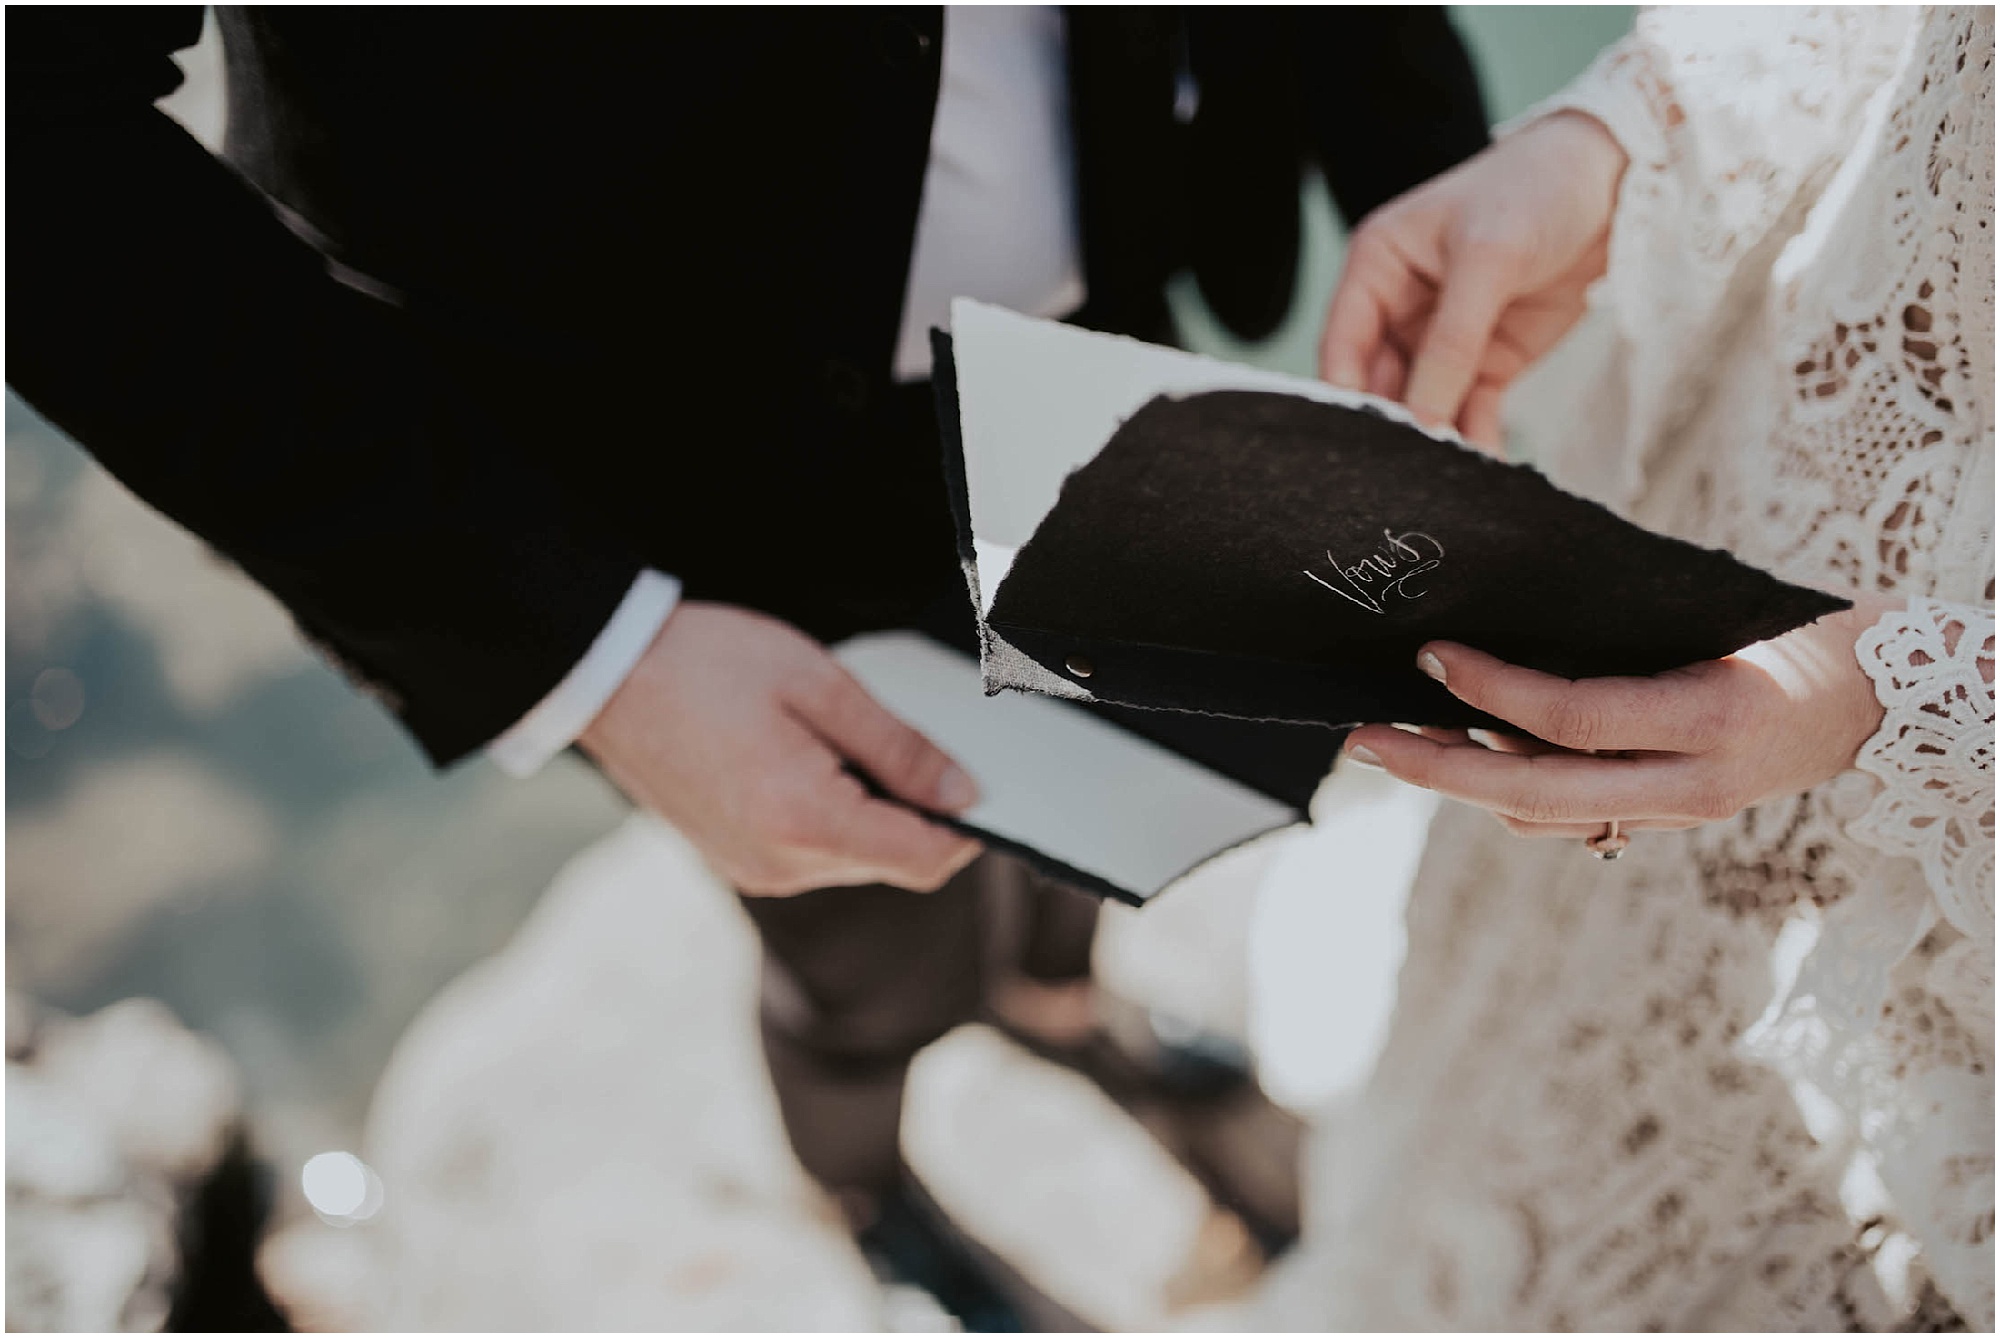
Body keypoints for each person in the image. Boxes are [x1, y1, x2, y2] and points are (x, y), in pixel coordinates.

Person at [6, 6, 1490, 1307]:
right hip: (663, 454)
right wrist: (601, 651)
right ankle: (869, 1193)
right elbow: (33, 116)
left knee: (1109, 780)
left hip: (1099, 297)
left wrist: (1422, 166)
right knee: (865, 944)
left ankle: (1061, 1013)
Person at [1251, 6, 1991, 1329]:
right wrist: (1628, 136)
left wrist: (1907, 695)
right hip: (1741, 475)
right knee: (1506, 1087)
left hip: (1947, 916)